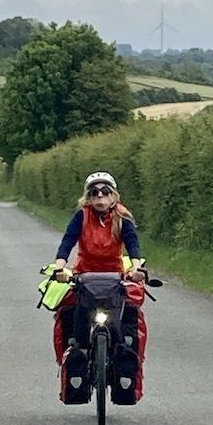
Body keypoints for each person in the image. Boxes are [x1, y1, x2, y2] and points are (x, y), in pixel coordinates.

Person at [52, 172, 147, 404]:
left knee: (121, 320)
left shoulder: (122, 217)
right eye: (94, 193)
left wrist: (136, 268)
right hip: (85, 275)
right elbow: (67, 242)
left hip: (114, 276)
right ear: (88, 197)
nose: (100, 197)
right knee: (78, 312)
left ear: (114, 195)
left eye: (105, 192)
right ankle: (82, 353)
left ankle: (118, 356)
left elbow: (133, 244)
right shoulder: (82, 216)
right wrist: (59, 268)